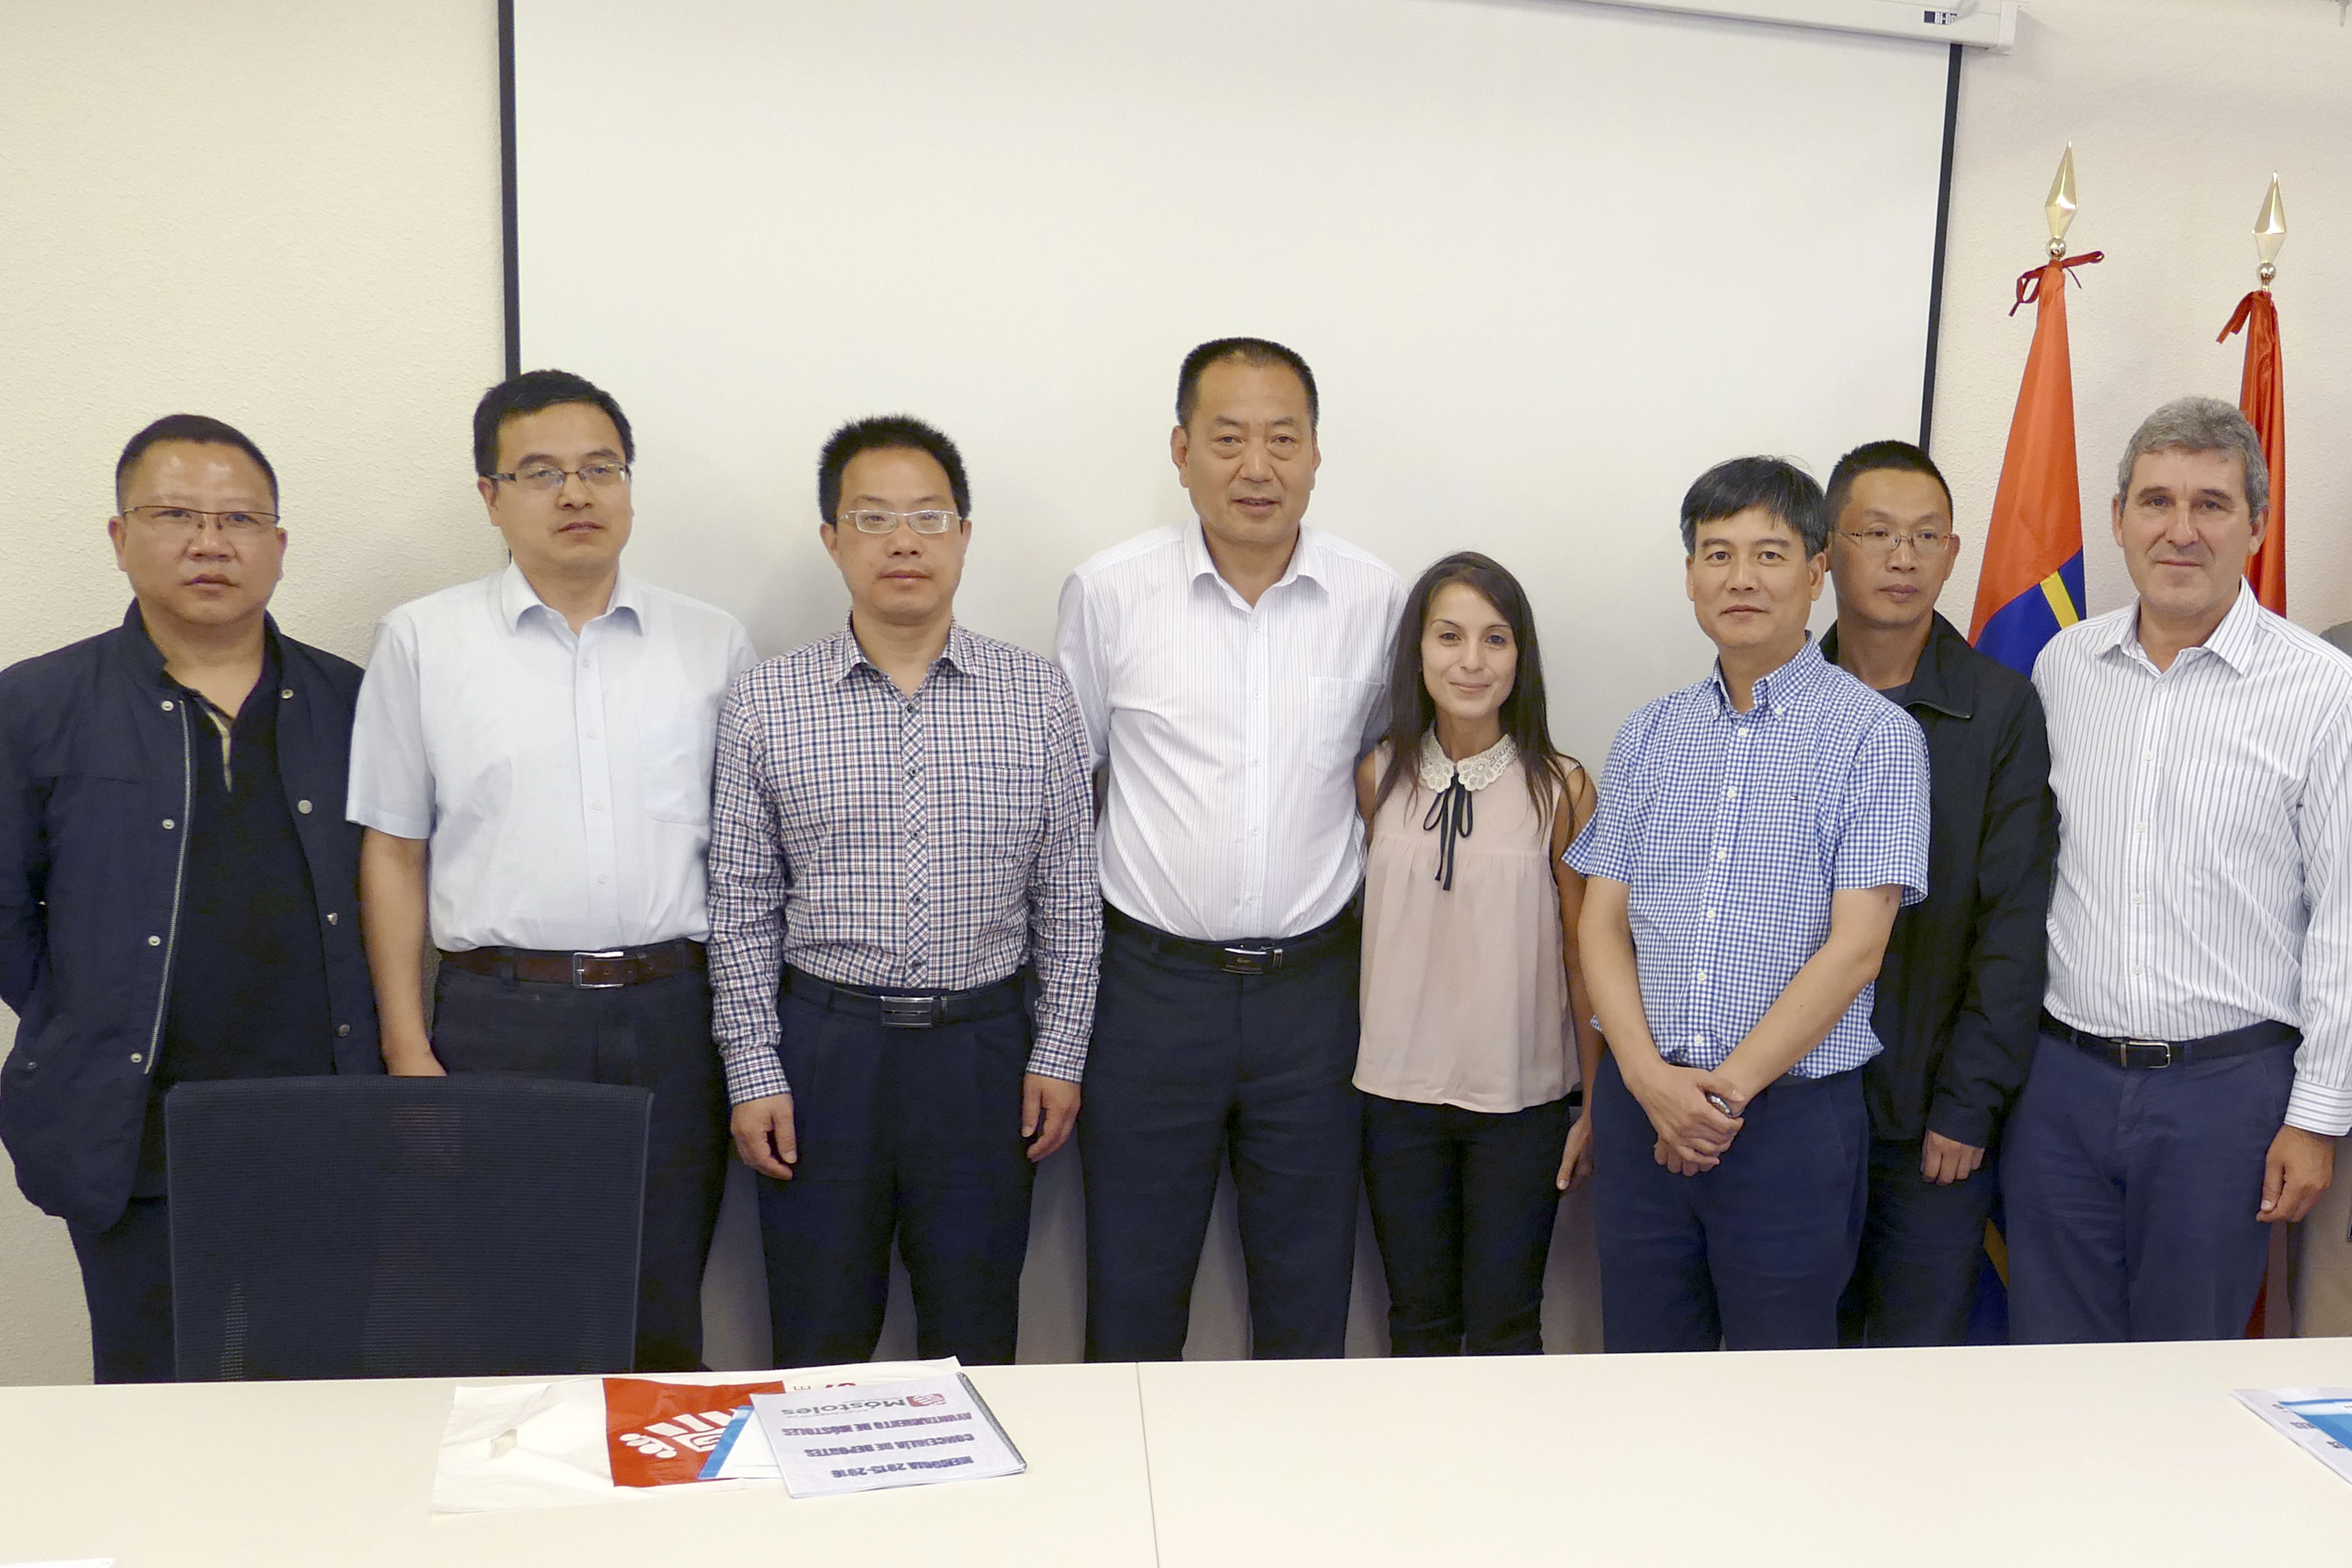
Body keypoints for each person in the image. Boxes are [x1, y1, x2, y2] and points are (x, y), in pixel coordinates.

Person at [348, 370, 754, 1373]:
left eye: (600, 469)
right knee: (509, 1308)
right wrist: (406, 1046)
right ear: (491, 497)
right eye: (540, 473)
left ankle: (655, 1472)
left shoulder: (713, 644)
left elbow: (750, 857)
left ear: (629, 487)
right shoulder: (423, 641)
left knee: (662, 1305)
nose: (576, 493)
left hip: (673, 1014)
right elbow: (395, 849)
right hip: (501, 1022)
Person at [710, 415, 1099, 1367]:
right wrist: (754, 1069)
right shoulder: (767, 701)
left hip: (983, 1054)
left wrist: (1059, 1052)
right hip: (824, 1053)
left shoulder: (1038, 696)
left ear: (964, 535)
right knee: (818, 1337)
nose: (903, 541)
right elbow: (740, 906)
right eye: (873, 517)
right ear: (832, 538)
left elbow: (1069, 900)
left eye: (929, 516)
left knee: (975, 1335)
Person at [0, 415, 380, 1382]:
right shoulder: (35, 704)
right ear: (120, 536)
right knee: (151, 1401)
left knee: (324, 1396)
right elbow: (6, 915)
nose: (211, 543)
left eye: (239, 520)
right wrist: (89, 1012)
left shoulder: (355, 703)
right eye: (176, 515)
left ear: (279, 546)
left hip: (324, 1126)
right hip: (133, 1132)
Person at [1058, 337, 1404, 1362]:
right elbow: (1070, 790)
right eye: (1229, 440)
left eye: (1282, 440)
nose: (1258, 468)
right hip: (1149, 994)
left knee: (1308, 1295)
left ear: (1316, 453)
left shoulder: (1376, 598)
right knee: (1133, 1291)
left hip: (1316, 996)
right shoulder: (1109, 591)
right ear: (1181, 451)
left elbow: (1386, 779)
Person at [2007, 395, 2352, 1343]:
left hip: (2228, 1097)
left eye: (2212, 504)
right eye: (2157, 502)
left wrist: (2318, 1115)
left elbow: (2344, 919)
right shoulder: (2064, 667)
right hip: (2061, 1086)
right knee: (2049, 1364)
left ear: (2257, 525)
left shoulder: (2324, 690)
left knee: (2185, 1374)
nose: (2181, 530)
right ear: (2118, 519)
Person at [1568, 456, 1929, 1353]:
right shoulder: (1650, 733)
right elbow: (1601, 923)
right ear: (1691, 575)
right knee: (1645, 1374)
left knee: (1781, 1390)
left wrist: (1719, 1101)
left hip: (1787, 1125)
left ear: (1816, 573)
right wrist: (1648, 1082)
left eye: (1769, 554)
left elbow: (1858, 949)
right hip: (1644, 1111)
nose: (1741, 578)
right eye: (1717, 554)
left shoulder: (1877, 738)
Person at [1816, 441, 2058, 1347]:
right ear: (1828, 550)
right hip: (1792, 1108)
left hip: (1930, 1123)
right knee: (1789, 1361)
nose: (1903, 557)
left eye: (1926, 537)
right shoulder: (1784, 702)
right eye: (1876, 533)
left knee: (1913, 1372)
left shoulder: (2001, 709)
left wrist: (1968, 1104)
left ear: (1954, 553)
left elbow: (2013, 925)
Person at [1354, 551, 1599, 1357]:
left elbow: (1583, 956)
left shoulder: (1560, 788)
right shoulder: (1378, 775)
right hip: (1396, 1094)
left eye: (1495, 639)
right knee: (1418, 1323)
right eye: (1449, 636)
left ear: (1520, 657)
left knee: (1507, 1324)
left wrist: (1596, 1104)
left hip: (1519, 1102)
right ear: (1417, 652)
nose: (1471, 661)